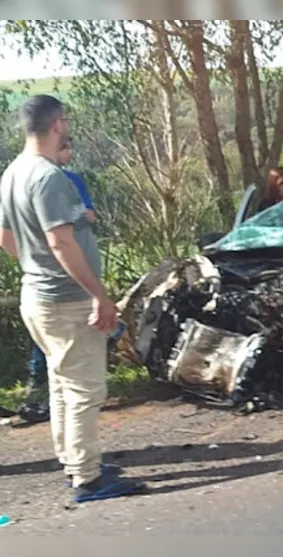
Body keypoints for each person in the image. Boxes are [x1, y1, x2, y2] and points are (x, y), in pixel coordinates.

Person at [0, 94, 145, 503]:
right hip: (66, 300)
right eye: (65, 120)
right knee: (84, 390)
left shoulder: (12, 172)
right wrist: (99, 295)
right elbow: (61, 243)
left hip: (38, 296)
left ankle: (76, 461)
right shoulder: (48, 177)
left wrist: (35, 266)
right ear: (58, 124)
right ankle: (88, 478)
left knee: (63, 385)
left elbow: (6, 238)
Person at [22, 137, 97, 422]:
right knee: (75, 379)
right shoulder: (47, 179)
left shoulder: (68, 179)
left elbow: (89, 213)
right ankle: (84, 464)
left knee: (57, 358)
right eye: (64, 146)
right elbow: (84, 216)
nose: (67, 152)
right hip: (61, 279)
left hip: (44, 279)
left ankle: (47, 402)